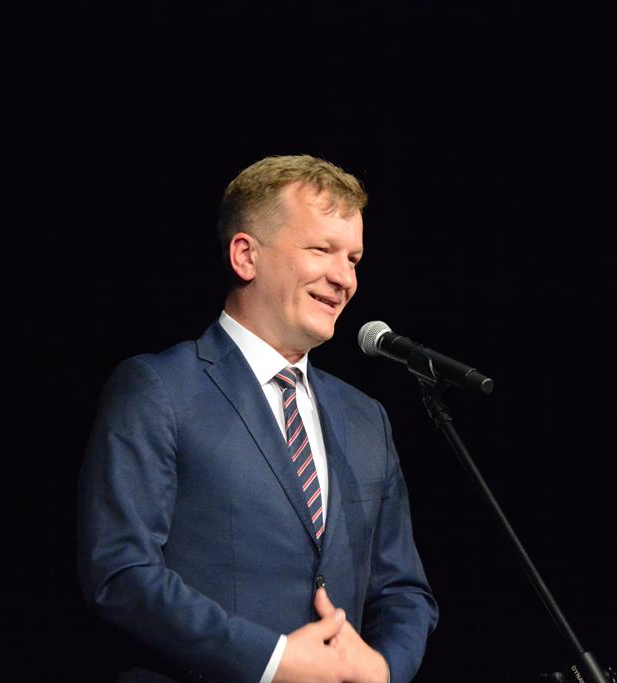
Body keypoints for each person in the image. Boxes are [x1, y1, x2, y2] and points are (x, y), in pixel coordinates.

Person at [77, 155, 437, 683]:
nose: (344, 278)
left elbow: (404, 590)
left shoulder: (366, 419)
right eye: (321, 250)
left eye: (354, 259)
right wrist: (272, 661)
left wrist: (383, 668)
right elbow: (121, 572)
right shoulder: (159, 390)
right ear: (246, 255)